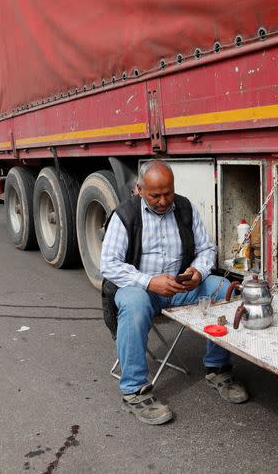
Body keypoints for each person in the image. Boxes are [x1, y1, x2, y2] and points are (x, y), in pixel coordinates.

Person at [100, 160, 248, 425]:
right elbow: (109, 265)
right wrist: (149, 282)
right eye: (155, 195)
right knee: (133, 304)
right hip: (141, 290)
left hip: (181, 288)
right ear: (139, 189)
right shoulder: (125, 215)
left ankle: (218, 368)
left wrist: (198, 272)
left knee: (224, 289)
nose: (163, 200)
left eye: (168, 193)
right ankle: (134, 391)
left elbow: (207, 250)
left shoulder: (185, 208)